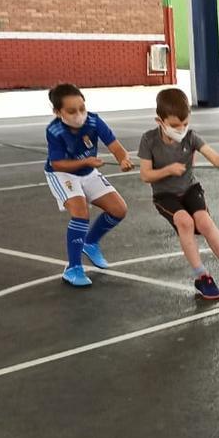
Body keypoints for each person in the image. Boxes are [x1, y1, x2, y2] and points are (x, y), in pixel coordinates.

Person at [138, 88, 219, 300]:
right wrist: (168, 170)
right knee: (185, 222)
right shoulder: (149, 140)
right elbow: (146, 175)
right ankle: (201, 276)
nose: (182, 129)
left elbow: (215, 157)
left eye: (185, 124)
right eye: (175, 126)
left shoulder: (191, 137)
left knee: (204, 221)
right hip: (165, 195)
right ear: (160, 121)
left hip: (189, 189)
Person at [43, 83, 134, 287]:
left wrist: (123, 159)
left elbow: (116, 146)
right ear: (58, 112)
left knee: (119, 209)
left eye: (82, 108)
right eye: (72, 111)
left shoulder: (94, 121)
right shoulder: (54, 130)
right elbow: (58, 163)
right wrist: (86, 162)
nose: (79, 114)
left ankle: (90, 243)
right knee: (80, 211)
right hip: (62, 174)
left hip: (88, 171)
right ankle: (73, 268)